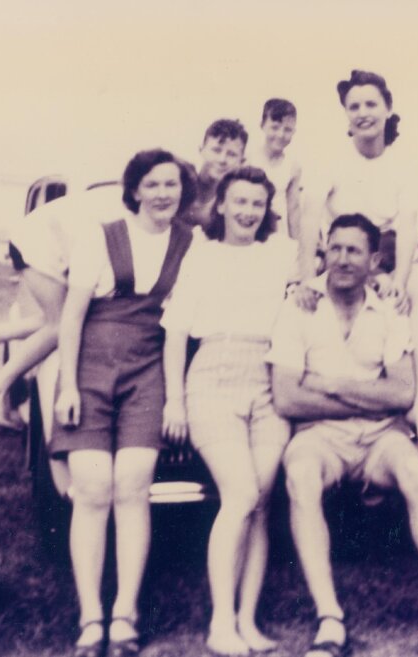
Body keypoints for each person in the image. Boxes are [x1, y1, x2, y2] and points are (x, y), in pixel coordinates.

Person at [270, 214, 418, 657]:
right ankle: (329, 619)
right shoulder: (299, 306)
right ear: (324, 252)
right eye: (335, 248)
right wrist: (369, 395)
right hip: (318, 435)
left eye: (353, 251)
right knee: (302, 476)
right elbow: (288, 400)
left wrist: (330, 384)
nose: (342, 259)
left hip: (380, 437)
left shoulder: (389, 309)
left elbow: (404, 392)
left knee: (414, 469)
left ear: (374, 260)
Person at [51, 149, 197, 657]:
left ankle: (126, 614)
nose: (163, 194)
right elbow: (71, 318)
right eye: (153, 185)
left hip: (148, 369)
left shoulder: (190, 242)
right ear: (134, 189)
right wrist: (67, 385)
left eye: (172, 185)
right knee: (91, 488)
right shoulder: (101, 235)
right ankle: (91, 616)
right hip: (90, 366)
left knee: (134, 485)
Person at [161, 167, 295, 656]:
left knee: (258, 501)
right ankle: (220, 623)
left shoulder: (280, 253)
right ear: (221, 204)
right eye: (239, 202)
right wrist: (174, 399)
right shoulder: (202, 253)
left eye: (257, 204)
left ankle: (247, 620)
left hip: (268, 381)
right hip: (212, 378)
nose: (247, 212)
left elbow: (309, 272)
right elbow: (176, 332)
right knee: (238, 494)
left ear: (267, 210)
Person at [296, 69, 418, 447]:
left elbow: (408, 226)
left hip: (382, 258)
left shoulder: (403, 164)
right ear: (346, 114)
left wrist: (398, 278)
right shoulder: (330, 160)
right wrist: (304, 278)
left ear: (388, 108)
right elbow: (310, 217)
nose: (363, 113)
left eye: (371, 104)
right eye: (354, 106)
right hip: (336, 258)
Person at [0, 184, 125, 429]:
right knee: (61, 324)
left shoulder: (131, 194)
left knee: (65, 317)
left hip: (34, 238)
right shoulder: (131, 210)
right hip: (36, 246)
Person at [246, 98, 303, 244]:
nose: (280, 135)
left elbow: (293, 209)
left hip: (278, 230)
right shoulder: (248, 158)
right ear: (263, 125)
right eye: (275, 127)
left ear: (294, 131)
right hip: (249, 222)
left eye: (287, 129)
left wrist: (296, 244)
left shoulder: (292, 165)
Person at [186, 118, 248, 230]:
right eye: (216, 150)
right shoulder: (180, 183)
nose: (222, 159)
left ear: (241, 161)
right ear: (201, 150)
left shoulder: (239, 201)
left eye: (232, 154)